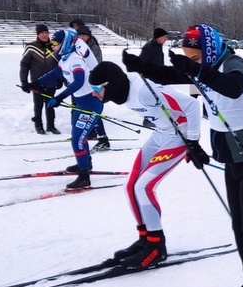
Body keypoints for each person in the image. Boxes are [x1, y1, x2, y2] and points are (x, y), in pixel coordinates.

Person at [123, 24, 243, 287]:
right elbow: (171, 77)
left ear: (209, 50)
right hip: (233, 155)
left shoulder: (233, 63)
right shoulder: (203, 68)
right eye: (190, 60)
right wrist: (140, 65)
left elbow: (232, 87)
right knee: (238, 224)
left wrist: (197, 70)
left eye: (196, 58)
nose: (194, 64)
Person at [88, 61, 208, 270]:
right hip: (160, 135)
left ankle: (156, 245)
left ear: (111, 84)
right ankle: (145, 239)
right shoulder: (123, 91)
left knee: (144, 186)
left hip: (178, 136)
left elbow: (191, 104)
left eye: (97, 89)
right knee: (131, 186)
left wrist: (193, 142)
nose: (94, 94)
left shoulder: (143, 91)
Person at [34, 29, 104, 190]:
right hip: (80, 102)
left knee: (77, 139)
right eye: (52, 44)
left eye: (56, 44)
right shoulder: (65, 58)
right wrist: (36, 83)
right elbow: (55, 73)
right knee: (78, 136)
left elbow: (79, 82)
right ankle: (85, 164)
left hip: (91, 102)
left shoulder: (75, 59)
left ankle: (84, 177)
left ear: (65, 43)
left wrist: (59, 97)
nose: (53, 46)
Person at [71, 18, 110, 150]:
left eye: (84, 35)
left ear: (88, 36)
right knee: (82, 110)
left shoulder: (93, 48)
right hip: (81, 85)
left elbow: (95, 65)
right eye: (79, 35)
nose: (82, 37)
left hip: (92, 83)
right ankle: (87, 134)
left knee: (93, 110)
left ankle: (103, 138)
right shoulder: (76, 47)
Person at [19, 24, 61, 135]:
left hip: (51, 81)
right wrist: (24, 81)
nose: (44, 35)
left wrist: (60, 80)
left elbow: (60, 65)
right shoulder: (31, 47)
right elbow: (24, 65)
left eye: (46, 33)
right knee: (38, 104)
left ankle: (51, 126)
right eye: (42, 33)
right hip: (36, 81)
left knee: (50, 103)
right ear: (38, 34)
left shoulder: (54, 47)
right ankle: (39, 126)